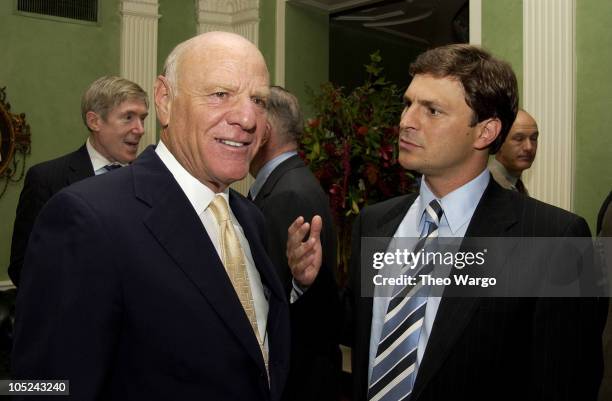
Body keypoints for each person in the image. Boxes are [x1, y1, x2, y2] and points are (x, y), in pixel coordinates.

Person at [288, 44, 606, 401]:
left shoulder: (555, 240)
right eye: (409, 104)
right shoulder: (377, 223)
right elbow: (360, 330)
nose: (406, 121)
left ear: (485, 132)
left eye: (433, 110)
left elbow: (566, 382)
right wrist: (310, 284)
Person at [12, 32, 293, 401]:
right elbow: (40, 389)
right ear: (165, 100)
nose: (247, 117)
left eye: (257, 100)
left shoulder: (249, 218)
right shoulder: (86, 218)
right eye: (221, 94)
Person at [8, 76, 148, 286]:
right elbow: (24, 266)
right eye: (128, 117)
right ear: (95, 121)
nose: (140, 129)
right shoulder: (47, 179)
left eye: (142, 118)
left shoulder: (148, 180)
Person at [249, 85, 341, 401]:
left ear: (265, 131)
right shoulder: (290, 182)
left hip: (296, 381)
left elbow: (277, 303)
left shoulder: (287, 194)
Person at [488, 108, 538, 194]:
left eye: (533, 138)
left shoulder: (517, 186)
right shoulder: (490, 188)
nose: (529, 147)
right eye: (519, 139)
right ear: (499, 141)